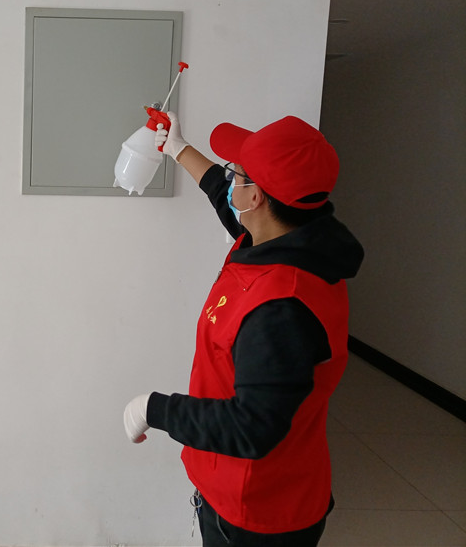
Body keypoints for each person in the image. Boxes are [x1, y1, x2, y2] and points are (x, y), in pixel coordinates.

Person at [123, 111, 364, 547]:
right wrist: (178, 148)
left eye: (237, 173)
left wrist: (153, 409)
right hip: (258, 485)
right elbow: (223, 193)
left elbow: (251, 426)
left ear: (255, 198)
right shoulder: (293, 240)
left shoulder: (282, 309)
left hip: (257, 512)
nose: (229, 180)